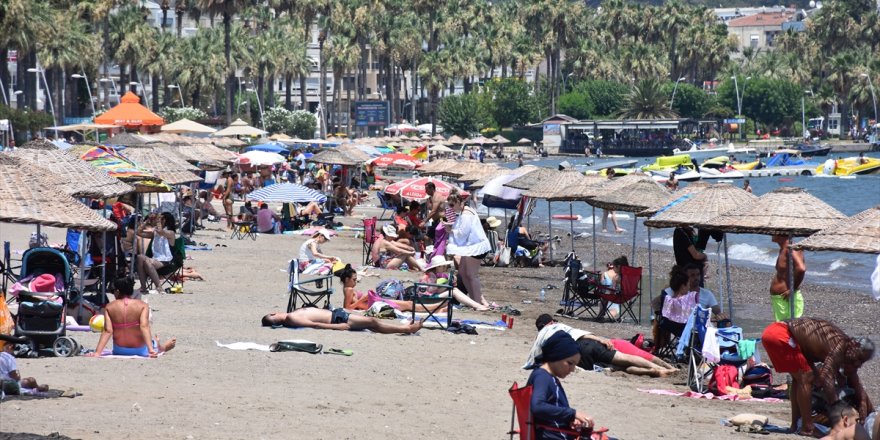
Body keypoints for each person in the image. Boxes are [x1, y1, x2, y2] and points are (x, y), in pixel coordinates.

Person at [761, 318, 874, 437]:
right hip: (780, 334)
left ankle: (795, 425)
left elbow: (853, 376)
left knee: (799, 379)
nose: (859, 365)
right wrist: (837, 408)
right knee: (807, 377)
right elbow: (826, 377)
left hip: (776, 332)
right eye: (859, 359)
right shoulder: (838, 346)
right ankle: (808, 428)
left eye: (863, 362)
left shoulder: (849, 351)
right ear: (853, 347)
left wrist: (862, 401)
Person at [527, 315, 677, 378]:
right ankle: (665, 368)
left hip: (579, 356)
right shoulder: (557, 326)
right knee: (628, 359)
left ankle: (657, 372)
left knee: (620, 368)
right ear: (551, 321)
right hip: (591, 345)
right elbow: (581, 334)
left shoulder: (540, 339)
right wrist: (601, 339)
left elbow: (536, 360)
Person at [525, 331, 595, 439]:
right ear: (555, 356)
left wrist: (569, 419)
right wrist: (572, 414)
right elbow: (537, 407)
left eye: (575, 365)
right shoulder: (542, 377)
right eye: (570, 363)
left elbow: (552, 409)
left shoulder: (547, 377)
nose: (572, 370)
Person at [87, 278, 176, 358]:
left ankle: (159, 344)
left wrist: (97, 353)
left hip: (119, 350)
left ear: (117, 291)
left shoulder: (109, 307)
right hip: (141, 350)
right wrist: (150, 350)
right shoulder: (142, 305)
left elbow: (108, 331)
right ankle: (164, 347)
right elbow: (144, 327)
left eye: (113, 291)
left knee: (154, 340)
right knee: (155, 342)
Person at [445, 189, 492, 308]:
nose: (450, 207)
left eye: (452, 205)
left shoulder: (466, 214)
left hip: (476, 247)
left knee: (471, 275)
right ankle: (475, 300)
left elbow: (462, 233)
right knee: (463, 273)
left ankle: (477, 302)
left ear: (459, 202)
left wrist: (450, 230)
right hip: (472, 246)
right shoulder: (464, 211)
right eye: (449, 205)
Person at [336, 264, 447, 313]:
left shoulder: (348, 289)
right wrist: (362, 299)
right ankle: (437, 306)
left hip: (373, 303)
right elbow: (347, 308)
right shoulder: (349, 290)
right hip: (374, 305)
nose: (356, 282)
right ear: (346, 280)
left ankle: (436, 308)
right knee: (407, 305)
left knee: (406, 306)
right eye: (354, 280)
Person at [261, 308, 423, 334]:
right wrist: (340, 327)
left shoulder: (291, 315)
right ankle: (406, 329)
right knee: (372, 322)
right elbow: (315, 325)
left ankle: (404, 327)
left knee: (370, 321)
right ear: (274, 315)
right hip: (337, 319)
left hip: (337, 314)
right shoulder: (291, 318)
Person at [417, 255, 490, 310]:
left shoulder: (430, 274)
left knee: (453, 290)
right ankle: (477, 306)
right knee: (454, 291)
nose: (445, 268)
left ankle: (476, 305)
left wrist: (447, 285)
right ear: (438, 267)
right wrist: (448, 285)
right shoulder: (431, 276)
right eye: (443, 266)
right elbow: (434, 290)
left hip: (425, 298)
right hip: (427, 299)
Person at [651, 268, 697, 349]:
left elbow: (654, 304)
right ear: (683, 286)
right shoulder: (691, 298)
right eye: (688, 284)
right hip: (685, 328)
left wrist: (660, 312)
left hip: (668, 325)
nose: (689, 287)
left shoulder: (667, 298)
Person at [135, 212, 177, 295]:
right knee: (140, 257)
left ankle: (159, 287)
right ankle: (143, 287)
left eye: (161, 219)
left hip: (167, 261)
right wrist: (147, 221)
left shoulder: (170, 233)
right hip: (156, 259)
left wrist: (157, 220)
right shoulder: (155, 233)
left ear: (165, 220)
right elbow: (138, 232)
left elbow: (161, 232)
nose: (158, 220)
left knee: (147, 262)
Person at [769, 234, 806, 321]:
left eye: (774, 232)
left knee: (789, 328)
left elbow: (801, 268)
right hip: (782, 298)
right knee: (784, 328)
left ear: (781, 233)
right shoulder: (784, 248)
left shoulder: (790, 249)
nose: (771, 234)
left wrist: (793, 288)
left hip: (786, 297)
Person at [601, 168, 624, 233]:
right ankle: (616, 228)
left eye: (612, 174)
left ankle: (604, 228)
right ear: (609, 174)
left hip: (604, 199)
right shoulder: (609, 181)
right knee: (612, 213)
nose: (611, 175)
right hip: (609, 199)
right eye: (611, 174)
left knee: (605, 214)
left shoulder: (604, 181)